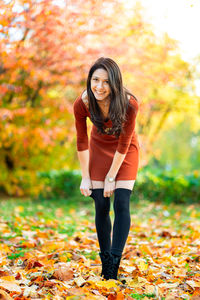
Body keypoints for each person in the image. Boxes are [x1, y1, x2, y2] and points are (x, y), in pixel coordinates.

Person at [73, 57, 139, 280]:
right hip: (99, 148)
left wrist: (112, 176)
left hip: (125, 150)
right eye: (95, 80)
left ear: (115, 83)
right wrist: (85, 177)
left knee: (121, 201)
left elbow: (124, 142)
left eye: (106, 82)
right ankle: (104, 261)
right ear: (89, 80)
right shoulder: (81, 103)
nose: (99, 87)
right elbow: (82, 141)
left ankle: (113, 264)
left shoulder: (130, 103)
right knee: (100, 203)